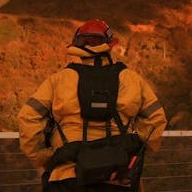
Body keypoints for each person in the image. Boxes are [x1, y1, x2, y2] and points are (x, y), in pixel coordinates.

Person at [18, 19, 167, 192]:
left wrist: (42, 157)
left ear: (77, 45)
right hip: (117, 175)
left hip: (66, 176)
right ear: (110, 44)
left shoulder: (58, 80)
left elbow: (28, 117)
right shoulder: (131, 79)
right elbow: (156, 120)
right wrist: (135, 149)